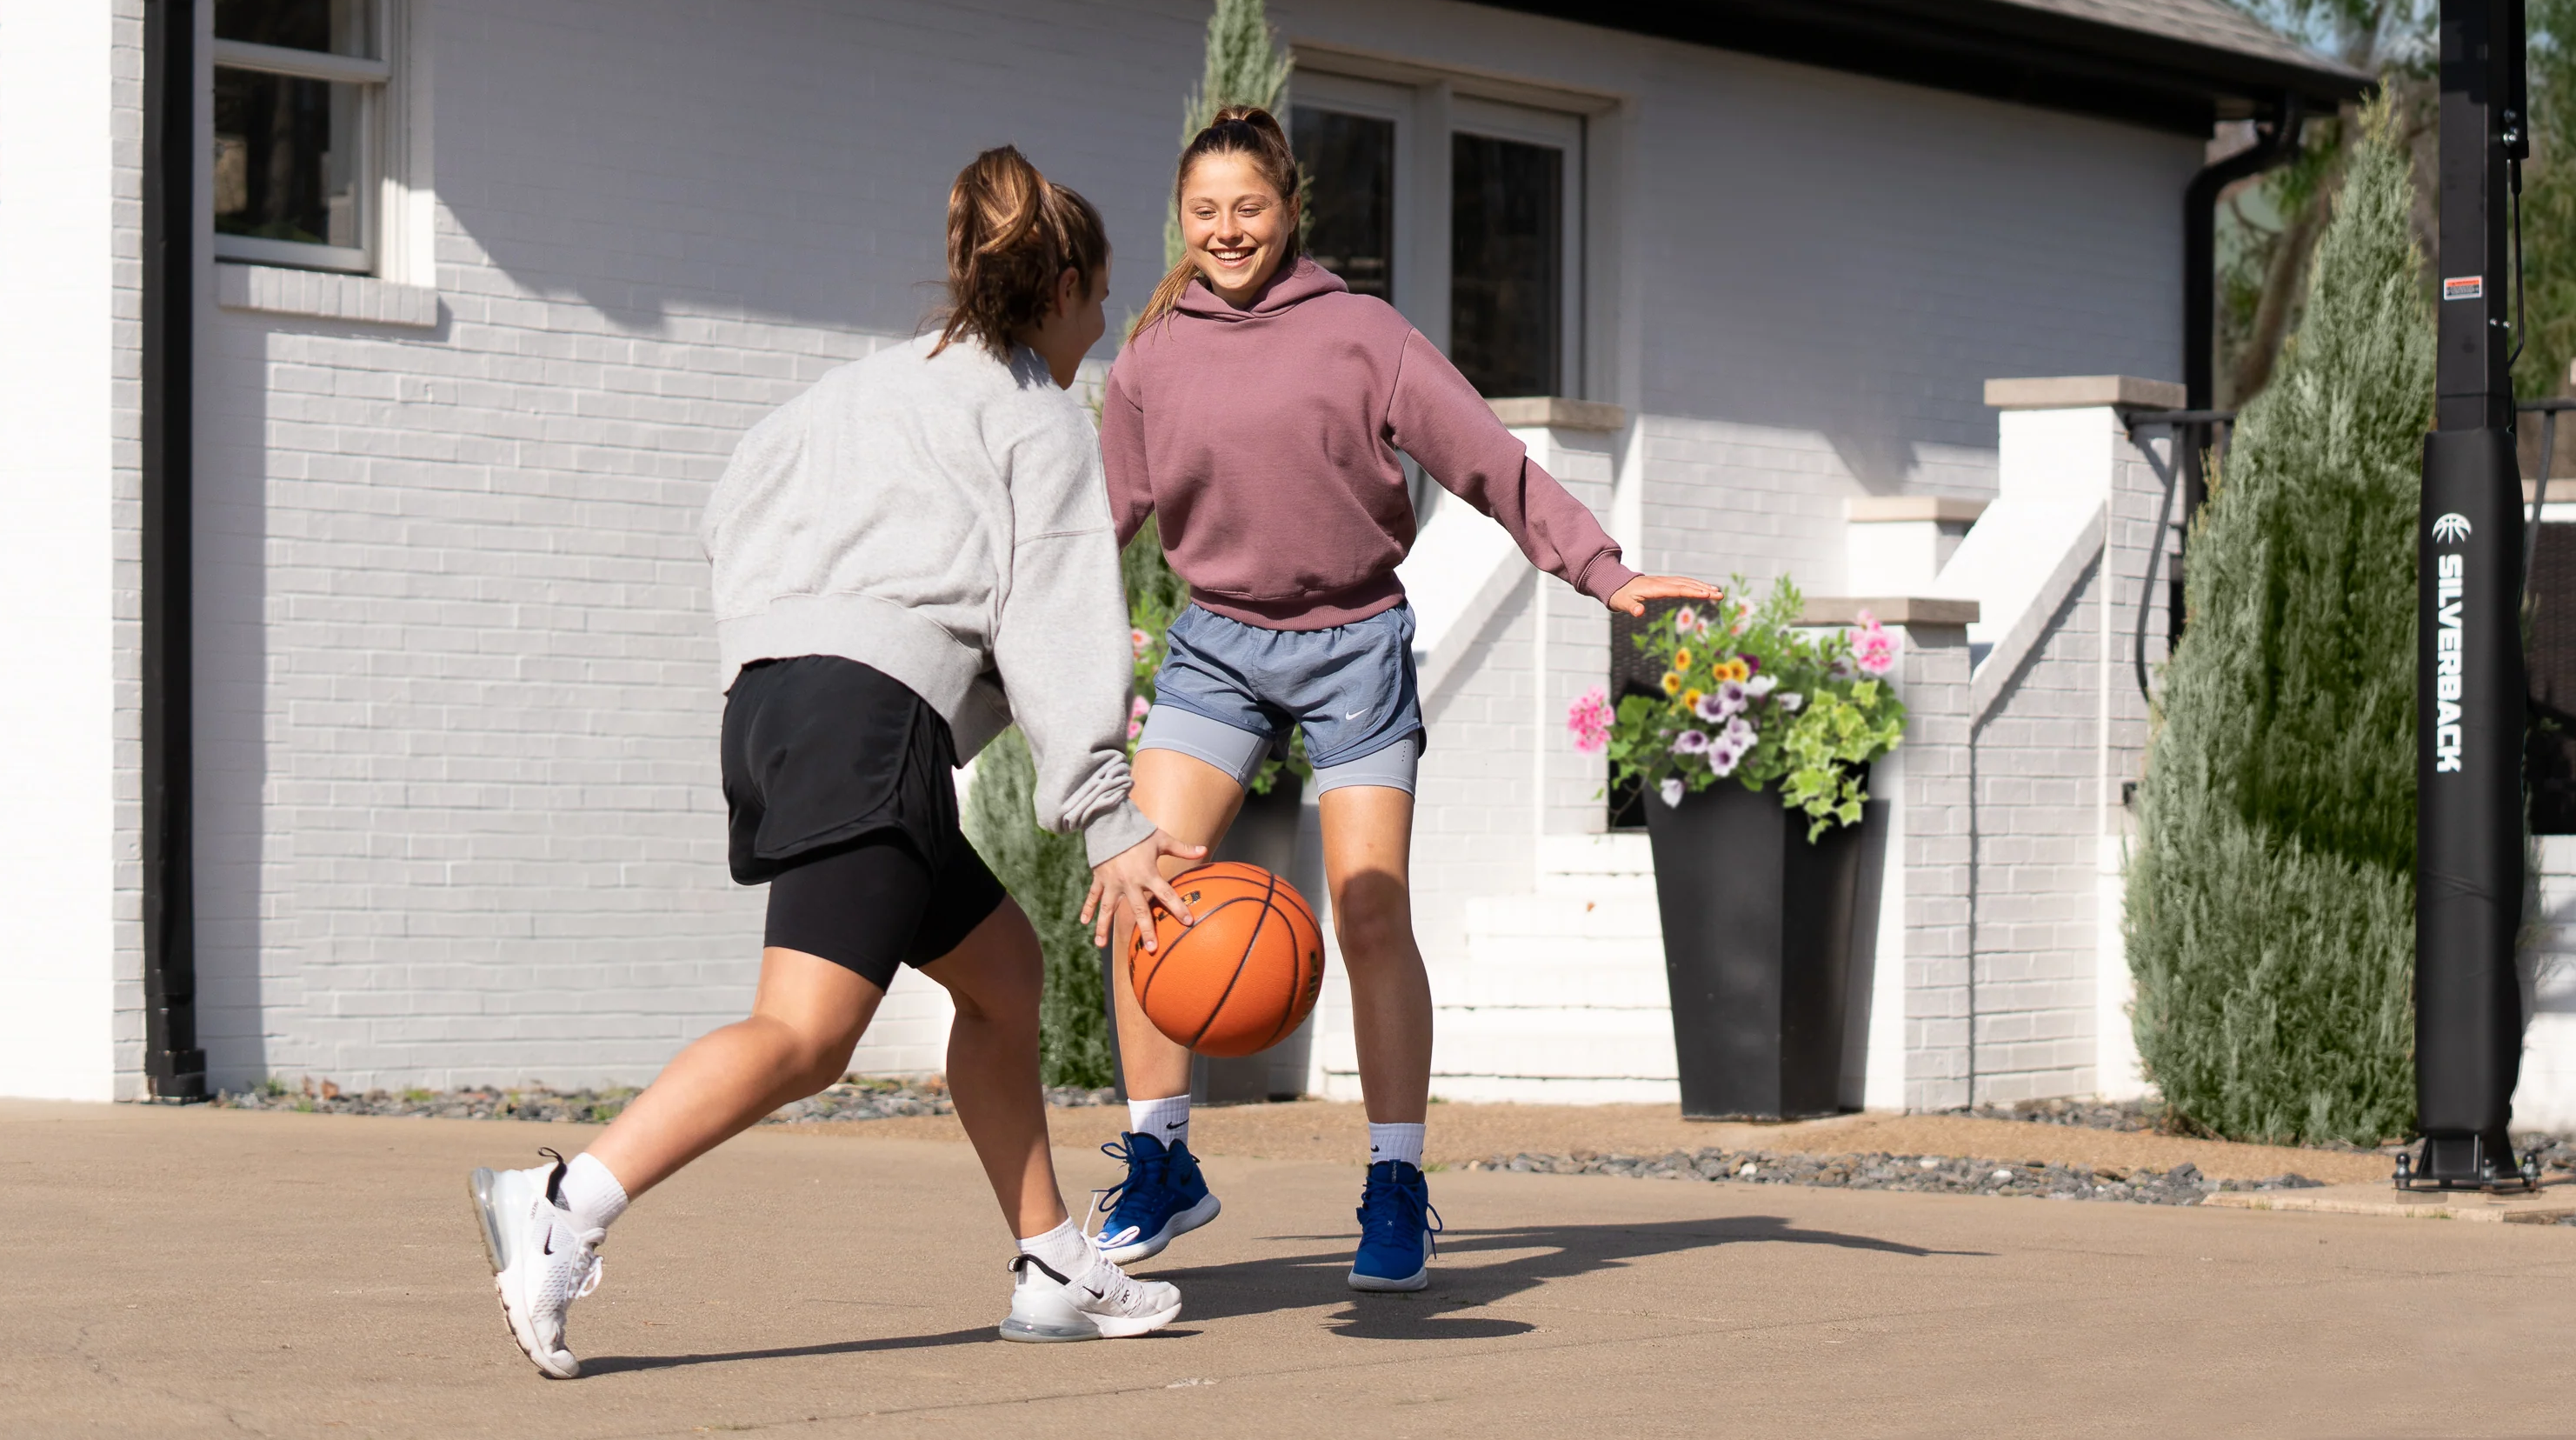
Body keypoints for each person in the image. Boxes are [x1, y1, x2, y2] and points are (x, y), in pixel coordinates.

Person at [468, 149, 1202, 1377]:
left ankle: (1053, 1260)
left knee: (1003, 974)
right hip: (867, 724)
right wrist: (1108, 817)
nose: (1102, 330)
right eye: (1101, 302)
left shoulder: (857, 390)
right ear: (1065, 285)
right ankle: (562, 1205)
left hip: (771, 709)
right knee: (806, 1035)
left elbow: (730, 508)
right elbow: (1059, 627)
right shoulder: (1036, 418)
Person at [1090, 105, 1720, 1292]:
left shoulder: (1364, 335)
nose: (1227, 229)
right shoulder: (1151, 355)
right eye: (1205, 211)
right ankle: (1160, 1157)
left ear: (1290, 211)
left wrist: (1606, 569)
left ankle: (1396, 1182)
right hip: (1216, 644)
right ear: (1183, 217)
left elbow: (1490, 458)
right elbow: (1097, 521)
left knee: (1370, 914)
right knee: (1147, 894)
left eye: (1250, 207)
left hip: (1352, 643)